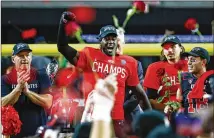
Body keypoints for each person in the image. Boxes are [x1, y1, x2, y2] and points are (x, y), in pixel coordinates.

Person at [57, 11, 152, 138]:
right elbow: (62, 47)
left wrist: (153, 121)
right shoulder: (89, 55)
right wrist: (63, 24)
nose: (110, 41)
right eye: (107, 38)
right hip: (93, 118)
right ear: (100, 41)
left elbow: (140, 94)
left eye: (113, 38)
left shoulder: (129, 63)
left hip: (117, 121)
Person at [1, 43, 53, 138]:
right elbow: (2, 103)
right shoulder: (5, 79)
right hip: (15, 135)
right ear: (13, 59)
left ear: (31, 57)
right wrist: (17, 89)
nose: (25, 58)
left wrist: (28, 92)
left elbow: (48, 102)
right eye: (21, 56)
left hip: (38, 134)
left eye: (27, 55)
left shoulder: (41, 75)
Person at [143, 35, 188, 113]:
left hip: (190, 110)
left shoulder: (190, 66)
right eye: (166, 48)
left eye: (173, 46)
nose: (169, 50)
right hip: (164, 111)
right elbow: (149, 99)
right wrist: (168, 108)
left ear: (180, 48)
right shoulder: (154, 68)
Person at [179, 47, 214, 115]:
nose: (188, 63)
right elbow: (178, 102)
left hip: (206, 123)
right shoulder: (183, 78)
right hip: (188, 122)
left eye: (192, 60)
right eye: (188, 60)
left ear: (203, 62)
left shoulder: (212, 78)